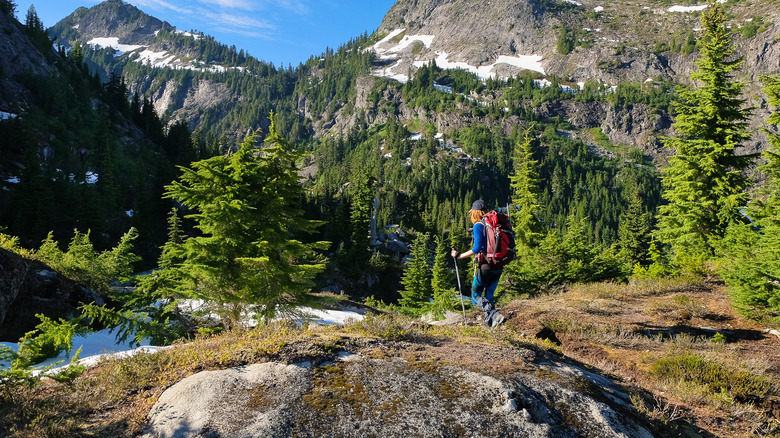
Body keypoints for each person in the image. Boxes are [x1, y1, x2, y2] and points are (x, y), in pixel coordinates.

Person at [451, 200, 506, 327]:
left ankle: (494, 314)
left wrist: (459, 256)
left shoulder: (478, 226)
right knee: (489, 295)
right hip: (499, 264)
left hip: (486, 266)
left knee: (475, 295)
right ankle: (490, 325)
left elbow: (477, 249)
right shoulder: (495, 225)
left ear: (475, 213)